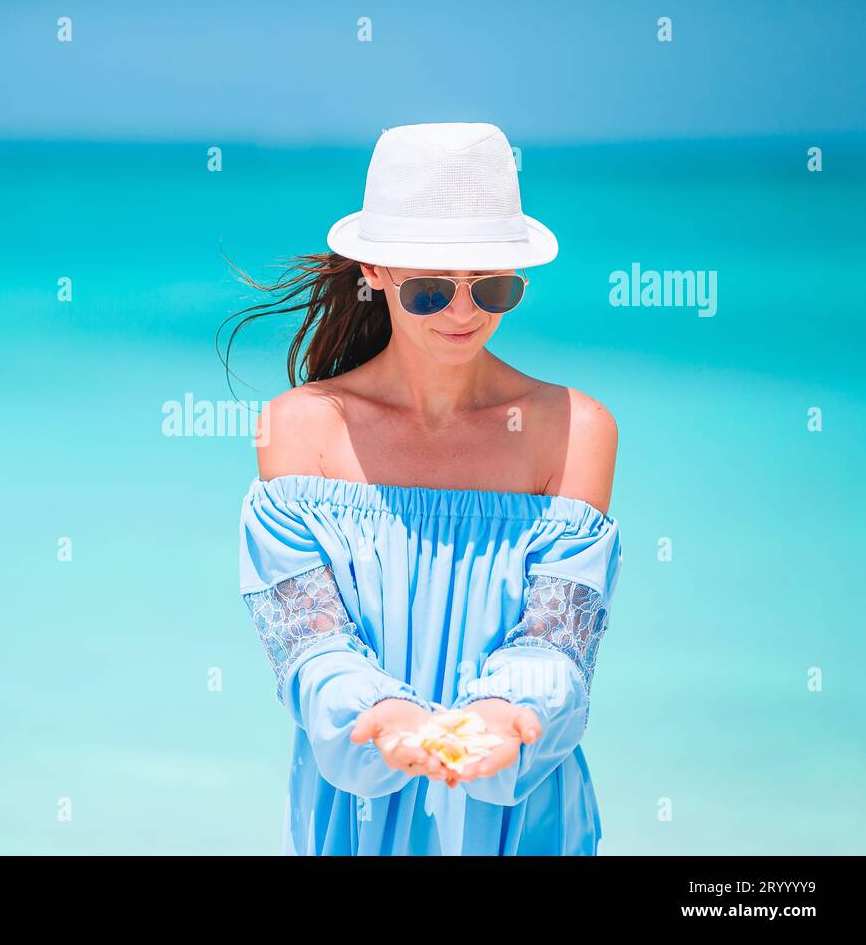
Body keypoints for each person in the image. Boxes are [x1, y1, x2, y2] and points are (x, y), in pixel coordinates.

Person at [229, 123, 623, 855]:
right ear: (373, 270)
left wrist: (507, 719)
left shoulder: (574, 427)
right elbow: (311, 649)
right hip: (354, 818)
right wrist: (380, 719)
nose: (465, 313)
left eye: (493, 286)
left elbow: (557, 644)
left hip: (526, 814)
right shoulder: (300, 429)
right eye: (432, 291)